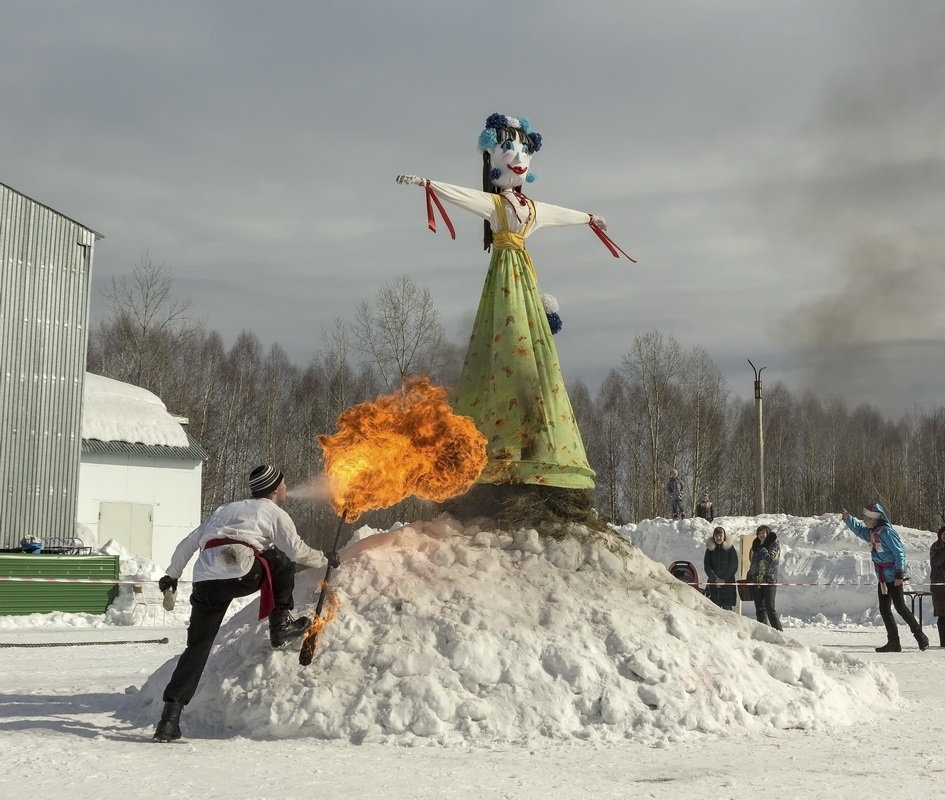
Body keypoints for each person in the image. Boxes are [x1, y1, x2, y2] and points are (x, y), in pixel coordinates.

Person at [396, 114, 626, 492]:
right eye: (508, 150)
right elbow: (465, 196)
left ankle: (532, 436)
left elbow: (558, 213)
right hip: (504, 274)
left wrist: (588, 219)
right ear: (493, 158)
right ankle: (495, 440)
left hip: (522, 276)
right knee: (504, 343)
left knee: (530, 351)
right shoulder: (498, 206)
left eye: (523, 151)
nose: (517, 158)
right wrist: (428, 184)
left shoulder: (530, 210)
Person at [151, 465, 339, 743]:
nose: (287, 488)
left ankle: (169, 719)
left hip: (206, 579)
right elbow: (297, 550)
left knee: (197, 647)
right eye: (284, 484)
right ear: (275, 488)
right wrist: (325, 559)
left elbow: (189, 543)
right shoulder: (274, 513)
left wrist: (172, 576)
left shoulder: (225, 510)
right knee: (281, 560)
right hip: (241, 572)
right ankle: (280, 625)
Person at [841, 503, 929, 652]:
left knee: (900, 607)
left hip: (893, 576)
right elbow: (859, 531)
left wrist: (899, 574)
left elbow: (899, 552)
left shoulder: (886, 532)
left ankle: (921, 636)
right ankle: (894, 642)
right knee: (884, 609)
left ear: (874, 519)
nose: (864, 521)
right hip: (882, 578)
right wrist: (848, 519)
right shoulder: (873, 532)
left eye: (867, 518)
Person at [747, 524, 783, 630]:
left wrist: (763, 549)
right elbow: (754, 563)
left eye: (763, 533)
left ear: (767, 533)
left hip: (769, 580)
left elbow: (772, 560)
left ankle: (778, 631)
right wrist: (750, 574)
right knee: (759, 608)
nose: (761, 535)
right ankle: (764, 631)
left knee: (770, 607)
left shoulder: (774, 544)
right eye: (759, 533)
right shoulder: (756, 546)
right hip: (757, 581)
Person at [703, 526, 739, 611]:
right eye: (716, 536)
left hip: (728, 585)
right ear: (714, 537)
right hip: (713, 585)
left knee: (727, 611)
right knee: (714, 611)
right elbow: (707, 566)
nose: (718, 538)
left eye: (720, 536)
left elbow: (733, 565)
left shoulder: (730, 548)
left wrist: (723, 580)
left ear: (724, 536)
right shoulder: (710, 549)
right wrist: (715, 579)